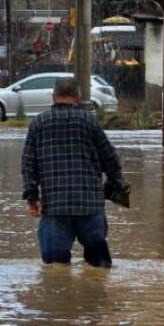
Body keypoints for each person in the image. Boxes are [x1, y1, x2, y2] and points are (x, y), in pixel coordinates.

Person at [21, 77, 123, 268]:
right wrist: (115, 184)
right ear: (78, 98)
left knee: (55, 269)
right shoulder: (89, 121)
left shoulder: (38, 123)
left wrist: (32, 197)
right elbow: (110, 159)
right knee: (99, 267)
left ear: (53, 97)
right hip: (90, 206)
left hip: (55, 207)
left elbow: (28, 165)